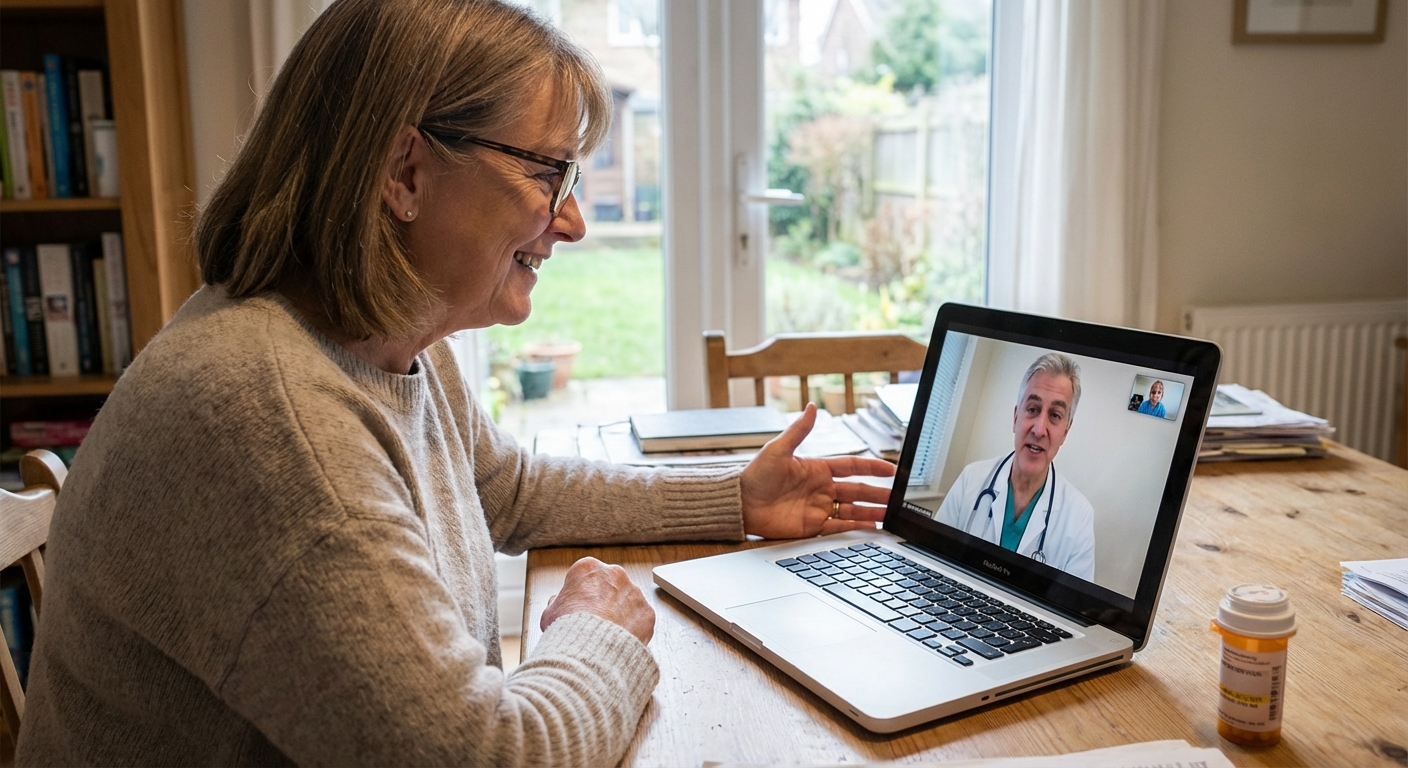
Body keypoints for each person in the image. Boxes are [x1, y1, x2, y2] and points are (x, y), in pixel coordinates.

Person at [14, 2, 894, 765]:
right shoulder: (266, 415)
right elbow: (487, 757)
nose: (574, 221)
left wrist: (730, 500)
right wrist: (597, 630)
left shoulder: (385, 336)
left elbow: (503, 488)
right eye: (549, 173)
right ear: (404, 173)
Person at [931, 353, 1096, 580]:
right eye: (1032, 409)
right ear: (1016, 416)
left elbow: (1073, 610)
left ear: (1065, 432)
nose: (1039, 429)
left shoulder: (1079, 517)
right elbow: (931, 563)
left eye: (1055, 415)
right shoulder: (972, 479)